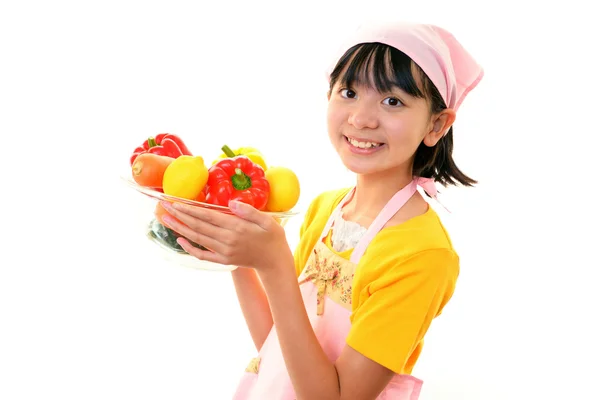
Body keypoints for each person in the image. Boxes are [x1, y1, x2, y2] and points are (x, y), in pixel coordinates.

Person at [159, 20, 484, 400]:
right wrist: (241, 256)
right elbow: (277, 342)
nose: (361, 118)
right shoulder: (326, 208)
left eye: (392, 101)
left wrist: (275, 262)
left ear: (436, 124)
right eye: (348, 92)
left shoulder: (422, 256)